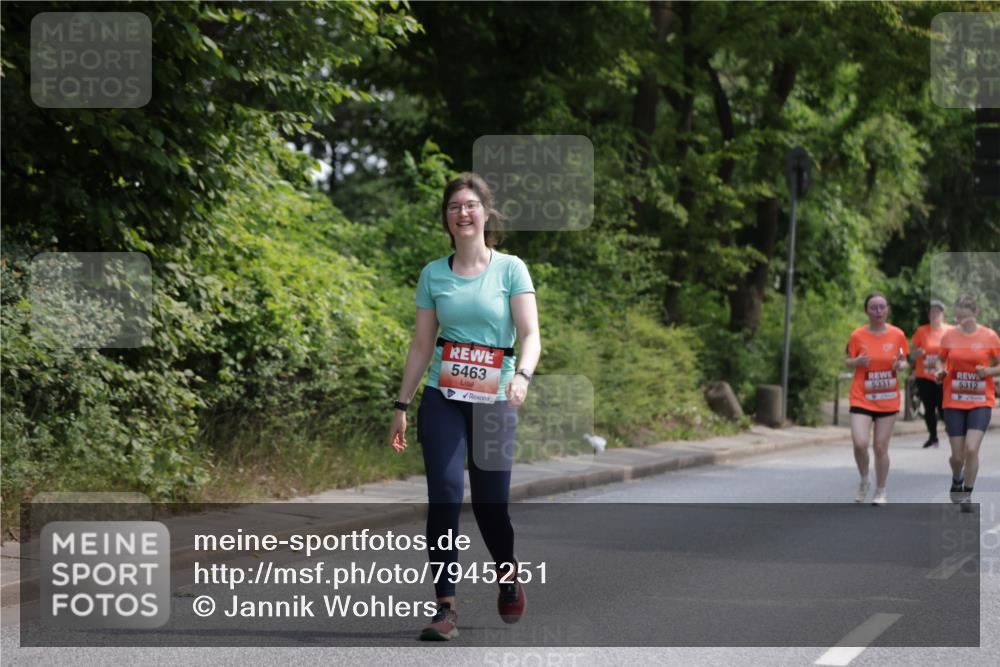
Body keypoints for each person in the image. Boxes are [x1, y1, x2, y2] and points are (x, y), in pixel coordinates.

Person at [388, 173, 541, 640]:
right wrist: (401, 403)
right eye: (454, 206)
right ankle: (445, 608)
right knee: (445, 497)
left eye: (471, 205)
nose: (463, 213)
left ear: (486, 213)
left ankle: (507, 573)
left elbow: (531, 335)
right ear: (446, 218)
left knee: (491, 505)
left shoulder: (511, 269)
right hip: (444, 396)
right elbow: (421, 345)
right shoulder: (434, 274)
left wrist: (522, 376)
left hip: (495, 399)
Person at [935, 294, 1000, 513]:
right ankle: (957, 478)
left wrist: (988, 371)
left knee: (971, 449)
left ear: (976, 313)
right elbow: (940, 359)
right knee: (957, 456)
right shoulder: (949, 336)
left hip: (981, 401)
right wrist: (940, 371)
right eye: (959, 317)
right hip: (954, 400)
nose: (962, 322)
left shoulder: (990, 336)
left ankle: (967, 494)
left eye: (966, 317)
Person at [845, 292, 909, 505]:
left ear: (887, 309)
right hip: (862, 397)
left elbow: (904, 361)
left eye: (882, 307)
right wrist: (857, 362)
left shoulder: (897, 334)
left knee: (880, 446)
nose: (878, 311)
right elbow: (848, 361)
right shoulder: (857, 335)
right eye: (873, 307)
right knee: (860, 443)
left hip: (887, 398)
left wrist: (900, 365)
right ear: (867, 311)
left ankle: (881, 490)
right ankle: (865, 479)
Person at [910, 300, 952, 448]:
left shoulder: (950, 331)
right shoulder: (921, 331)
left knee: (943, 408)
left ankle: (953, 434)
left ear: (943, 314)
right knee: (929, 408)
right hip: (924, 377)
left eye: (937, 311)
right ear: (928, 314)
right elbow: (911, 354)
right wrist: (917, 353)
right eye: (932, 311)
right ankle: (933, 437)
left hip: (944, 377)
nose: (934, 314)